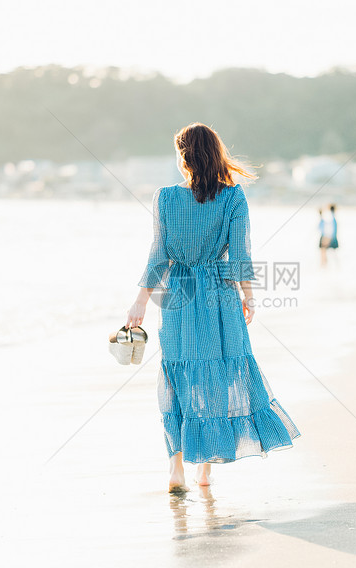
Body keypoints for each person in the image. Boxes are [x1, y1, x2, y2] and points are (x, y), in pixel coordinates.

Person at [126, 123, 300, 493]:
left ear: (184, 156)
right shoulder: (233, 198)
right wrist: (248, 297)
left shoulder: (165, 198)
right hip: (220, 297)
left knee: (178, 374)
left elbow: (159, 255)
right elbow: (240, 256)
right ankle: (205, 467)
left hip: (177, 297)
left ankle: (176, 467)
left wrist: (140, 300)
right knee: (215, 376)